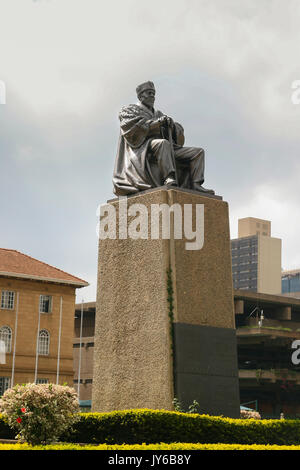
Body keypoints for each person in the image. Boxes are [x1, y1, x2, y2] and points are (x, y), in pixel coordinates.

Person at [112, 81, 214, 196]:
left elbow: (175, 133)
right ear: (140, 96)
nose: (152, 96)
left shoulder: (158, 113)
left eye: (153, 94)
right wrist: (156, 124)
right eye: (149, 93)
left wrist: (173, 126)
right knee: (162, 143)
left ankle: (196, 184)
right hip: (143, 148)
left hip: (165, 149)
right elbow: (133, 129)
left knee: (197, 152)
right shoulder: (129, 110)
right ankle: (169, 177)